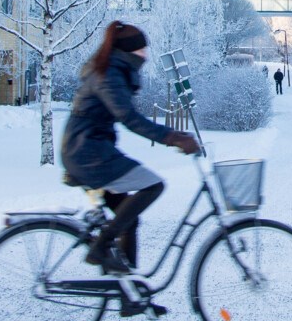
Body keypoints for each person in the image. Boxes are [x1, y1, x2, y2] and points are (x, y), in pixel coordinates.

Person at [61, 21, 200, 293]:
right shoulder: (109, 74)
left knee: (128, 218)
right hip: (88, 153)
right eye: (142, 51)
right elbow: (128, 117)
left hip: (90, 150)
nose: (145, 56)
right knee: (153, 185)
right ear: (130, 53)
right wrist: (170, 137)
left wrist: (172, 133)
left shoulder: (111, 69)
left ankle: (130, 292)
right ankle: (101, 247)